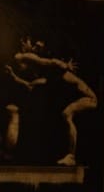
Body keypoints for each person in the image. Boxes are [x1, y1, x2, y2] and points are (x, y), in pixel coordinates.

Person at [9, 37, 98, 166]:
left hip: (90, 98)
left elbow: (47, 62)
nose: (35, 49)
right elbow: (30, 85)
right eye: (35, 46)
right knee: (65, 114)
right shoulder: (47, 77)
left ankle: (71, 157)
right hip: (84, 98)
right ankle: (70, 155)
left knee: (67, 114)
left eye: (38, 47)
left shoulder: (54, 66)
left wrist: (65, 65)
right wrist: (14, 76)